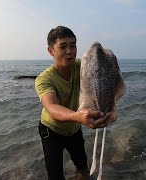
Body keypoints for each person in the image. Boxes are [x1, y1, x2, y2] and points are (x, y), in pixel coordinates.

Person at [35, 25, 112, 180]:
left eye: (73, 45)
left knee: (83, 166)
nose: (70, 51)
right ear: (51, 51)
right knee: (55, 175)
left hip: (74, 129)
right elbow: (52, 107)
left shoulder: (82, 66)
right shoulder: (44, 79)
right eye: (63, 47)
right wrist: (79, 116)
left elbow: (105, 77)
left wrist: (112, 108)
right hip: (51, 131)